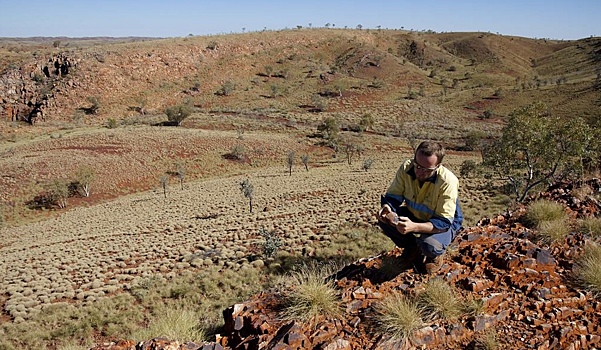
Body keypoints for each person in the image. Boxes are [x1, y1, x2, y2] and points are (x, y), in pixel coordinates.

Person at [377, 141, 463, 274]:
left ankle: (434, 255)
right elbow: (393, 197)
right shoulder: (407, 167)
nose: (419, 172)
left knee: (430, 246)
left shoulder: (448, 181)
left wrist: (414, 227)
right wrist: (387, 207)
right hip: (415, 214)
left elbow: (443, 222)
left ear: (438, 166)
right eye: (417, 165)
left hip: (442, 222)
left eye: (426, 170)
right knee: (384, 219)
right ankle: (412, 248)